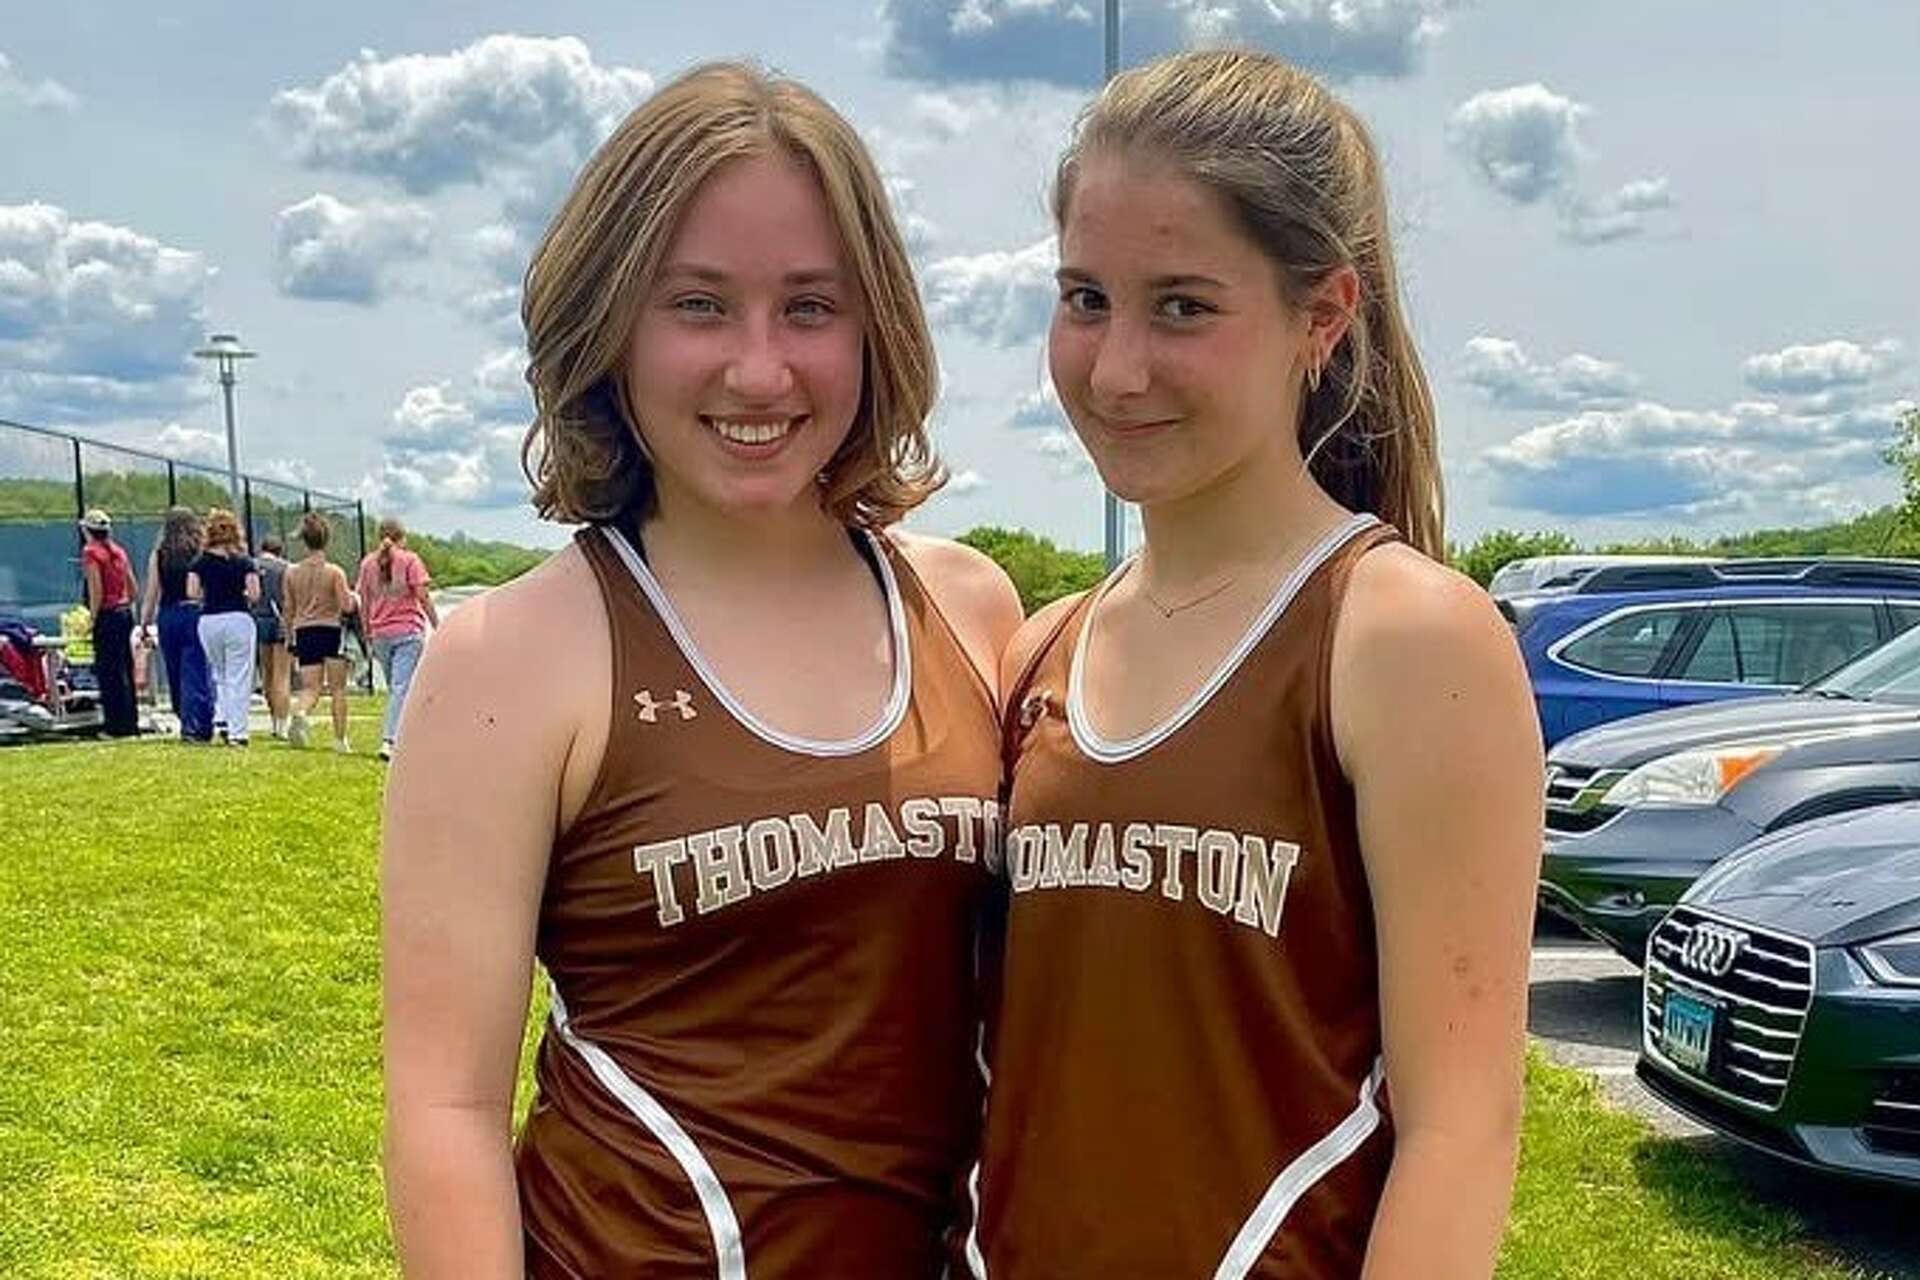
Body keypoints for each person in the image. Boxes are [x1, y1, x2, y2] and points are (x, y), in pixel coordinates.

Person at [381, 62, 1021, 1279]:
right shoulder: (513, 658)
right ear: (609, 322)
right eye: (698, 305)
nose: (760, 369)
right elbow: (443, 1111)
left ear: (877, 321)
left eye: (811, 307)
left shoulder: (971, 607)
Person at [973, 51, 1544, 1279]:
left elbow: (1463, 1122)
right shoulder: (1043, 650)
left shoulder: (1403, 637)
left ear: (1323, 315)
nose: (1116, 368)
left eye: (1182, 305)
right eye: (1085, 298)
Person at [355, 517, 437, 761]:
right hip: (408, 631)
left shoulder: (367, 564)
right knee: (402, 688)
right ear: (403, 537)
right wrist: (437, 625)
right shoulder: (410, 560)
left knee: (396, 688)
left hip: (380, 633)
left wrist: (366, 631)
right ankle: (390, 740)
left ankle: (402, 736)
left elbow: (364, 600)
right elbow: (422, 595)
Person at [283, 513, 359, 754]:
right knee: (337, 688)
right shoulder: (335, 572)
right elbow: (346, 605)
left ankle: (300, 711)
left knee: (310, 687)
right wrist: (356, 600)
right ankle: (339, 738)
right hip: (331, 630)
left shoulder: (292, 573)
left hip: (304, 630)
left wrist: (288, 634)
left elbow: (288, 607)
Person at [139, 505, 215, 742]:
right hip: (195, 613)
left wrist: (145, 622)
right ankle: (199, 723)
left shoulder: (160, 554)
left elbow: (152, 591)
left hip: (169, 614)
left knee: (175, 670)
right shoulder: (201, 552)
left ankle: (184, 716)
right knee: (197, 669)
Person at [188, 508, 260, 746]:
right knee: (239, 676)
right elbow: (255, 593)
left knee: (220, 673)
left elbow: (192, 592)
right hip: (238, 618)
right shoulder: (244, 561)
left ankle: (222, 718)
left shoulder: (200, 562)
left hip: (209, 620)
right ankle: (238, 732)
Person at [79, 508, 139, 737]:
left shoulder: (91, 552)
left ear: (88, 531)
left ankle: (115, 726)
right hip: (124, 613)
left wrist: (93, 618)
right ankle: (130, 722)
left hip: (107, 615)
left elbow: (96, 588)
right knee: (126, 668)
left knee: (109, 672)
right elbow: (133, 587)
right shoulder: (119, 552)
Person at [251, 533, 293, 738]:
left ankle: (273, 719)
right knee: (282, 674)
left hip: (259, 619)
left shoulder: (252, 565)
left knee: (266, 673)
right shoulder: (287, 568)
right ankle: (283, 723)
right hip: (281, 620)